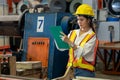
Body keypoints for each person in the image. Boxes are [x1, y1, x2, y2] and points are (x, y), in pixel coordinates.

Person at [60, 4, 98, 78]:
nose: (79, 22)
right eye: (78, 19)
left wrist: (69, 42)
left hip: (85, 72)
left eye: (81, 19)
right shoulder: (73, 33)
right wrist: (60, 40)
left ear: (89, 20)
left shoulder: (92, 36)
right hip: (70, 70)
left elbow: (82, 52)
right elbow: (63, 48)